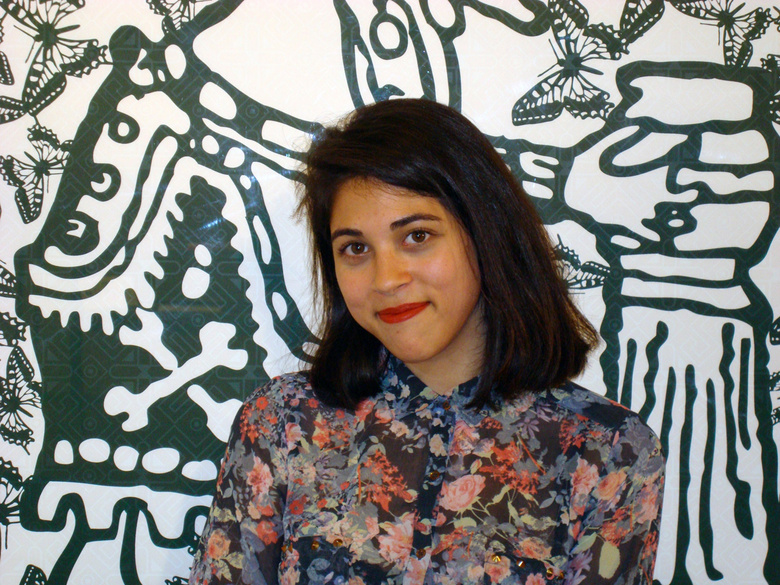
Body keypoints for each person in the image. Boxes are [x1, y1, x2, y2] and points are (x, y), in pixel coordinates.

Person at [189, 98, 665, 585]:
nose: (386, 279)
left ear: (486, 232)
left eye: (416, 236)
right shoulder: (282, 425)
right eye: (355, 248)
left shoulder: (606, 453)